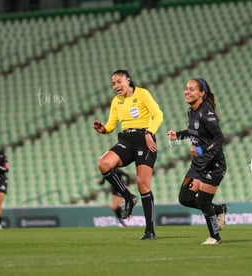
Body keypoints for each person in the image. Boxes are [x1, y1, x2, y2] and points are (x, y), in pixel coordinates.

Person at [93, 69, 163, 240]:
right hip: (126, 140)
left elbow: (158, 115)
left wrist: (149, 132)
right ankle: (128, 197)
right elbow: (111, 126)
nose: (116, 86)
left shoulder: (142, 94)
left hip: (144, 140)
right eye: (113, 84)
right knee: (103, 164)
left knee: (142, 185)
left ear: (128, 80)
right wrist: (103, 129)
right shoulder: (116, 101)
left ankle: (150, 231)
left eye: (119, 82)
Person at [167, 77, 227, 245]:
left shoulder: (207, 113)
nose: (187, 91)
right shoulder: (191, 111)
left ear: (202, 93)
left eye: (192, 89)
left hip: (214, 166)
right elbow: (194, 131)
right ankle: (218, 209)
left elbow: (219, 138)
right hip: (198, 164)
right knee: (185, 198)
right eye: (186, 88)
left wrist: (201, 150)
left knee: (202, 201)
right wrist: (178, 135)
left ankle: (215, 237)